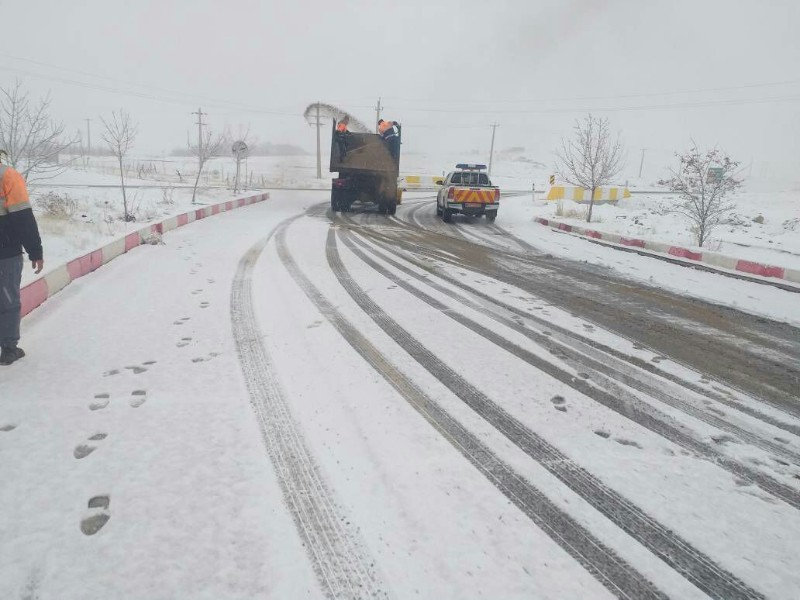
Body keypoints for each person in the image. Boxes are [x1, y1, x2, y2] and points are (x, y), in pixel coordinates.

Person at [0, 151, 43, 366]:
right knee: (7, 299)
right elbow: (22, 217)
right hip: (5, 252)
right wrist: (35, 251)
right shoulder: (7, 176)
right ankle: (8, 349)